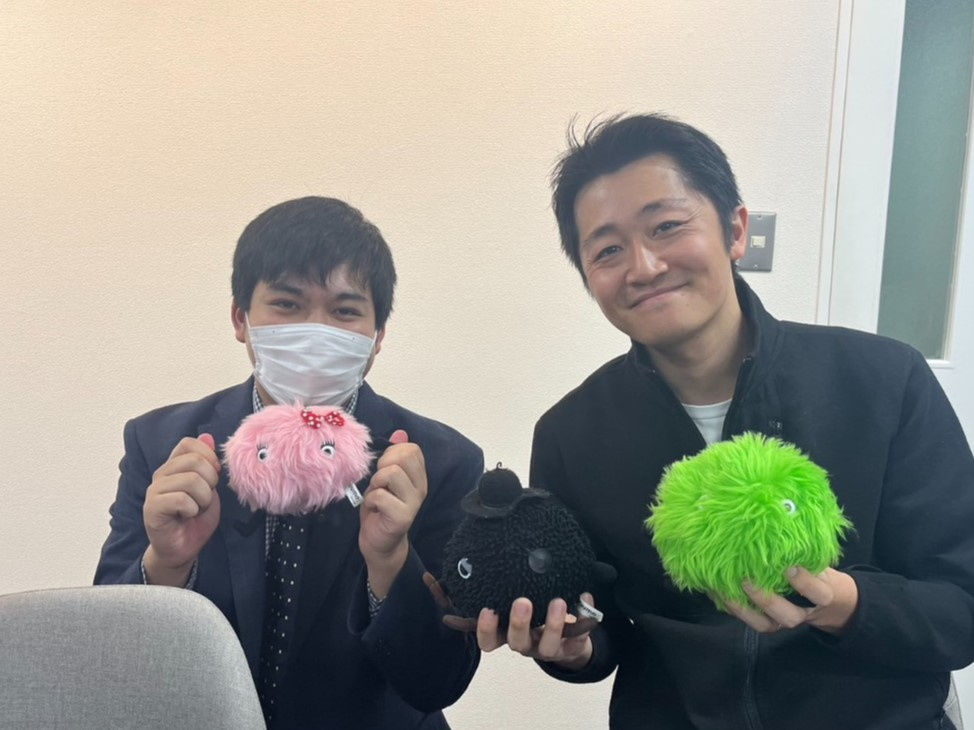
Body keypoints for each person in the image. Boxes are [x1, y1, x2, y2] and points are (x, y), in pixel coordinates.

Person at [476, 114, 974, 729]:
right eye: (607, 250)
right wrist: (575, 649)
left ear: (735, 230)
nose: (643, 266)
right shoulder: (571, 434)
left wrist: (845, 602)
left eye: (666, 226)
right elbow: (598, 623)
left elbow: (960, 607)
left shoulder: (883, 380)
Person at [95, 196, 483, 729]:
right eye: (287, 304)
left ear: (377, 338)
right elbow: (108, 661)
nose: (315, 332)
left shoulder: (438, 461)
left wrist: (391, 561)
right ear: (241, 318)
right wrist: (166, 564)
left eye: (345, 311)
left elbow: (439, 681)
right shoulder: (162, 444)